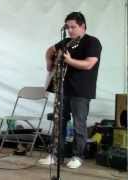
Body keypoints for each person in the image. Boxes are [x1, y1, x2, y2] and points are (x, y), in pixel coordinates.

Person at [39, 12, 102, 169]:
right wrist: (49, 63)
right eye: (68, 27)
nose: (70, 30)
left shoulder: (92, 42)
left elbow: (89, 64)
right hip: (63, 88)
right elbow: (49, 51)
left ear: (83, 26)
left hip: (81, 91)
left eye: (73, 27)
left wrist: (69, 60)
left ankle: (77, 156)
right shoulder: (66, 42)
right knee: (59, 122)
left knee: (78, 124)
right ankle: (55, 155)